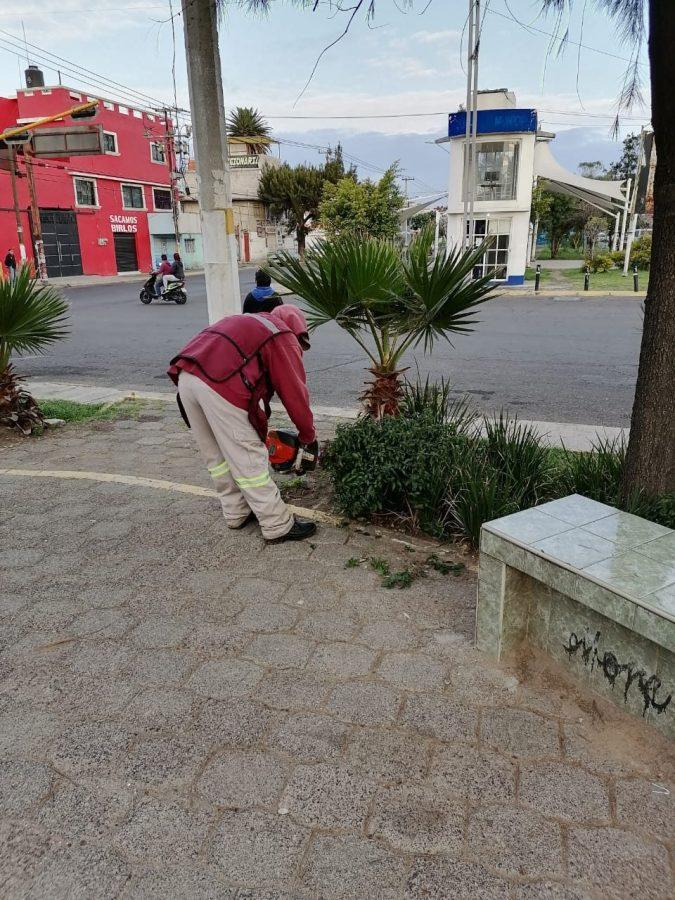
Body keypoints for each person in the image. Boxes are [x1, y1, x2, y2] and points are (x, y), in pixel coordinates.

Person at [167, 304, 318, 543]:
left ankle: (236, 511)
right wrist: (308, 436)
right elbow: (294, 393)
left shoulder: (251, 322)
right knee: (247, 455)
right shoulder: (282, 334)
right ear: (298, 329)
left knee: (215, 455)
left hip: (186, 377)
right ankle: (276, 524)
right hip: (219, 385)